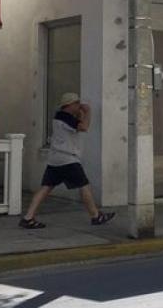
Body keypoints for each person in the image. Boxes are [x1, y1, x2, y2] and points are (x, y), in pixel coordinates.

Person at [19, 93, 115, 229]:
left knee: (46, 187)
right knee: (84, 185)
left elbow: (76, 126)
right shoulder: (65, 117)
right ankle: (95, 216)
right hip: (68, 159)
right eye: (77, 103)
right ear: (69, 105)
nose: (79, 106)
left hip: (55, 159)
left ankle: (28, 217)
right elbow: (84, 127)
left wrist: (80, 114)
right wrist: (88, 112)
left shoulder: (60, 117)